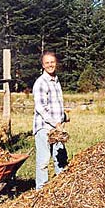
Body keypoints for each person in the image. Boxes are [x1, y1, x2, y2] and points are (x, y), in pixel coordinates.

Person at [32, 50, 68, 190]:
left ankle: (61, 187)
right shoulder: (41, 82)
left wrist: (63, 116)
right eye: (47, 63)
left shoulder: (56, 81)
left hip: (56, 127)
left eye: (52, 62)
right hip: (44, 127)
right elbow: (41, 107)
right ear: (43, 65)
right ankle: (41, 190)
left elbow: (55, 103)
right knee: (43, 160)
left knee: (60, 157)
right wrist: (56, 123)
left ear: (56, 63)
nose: (50, 65)